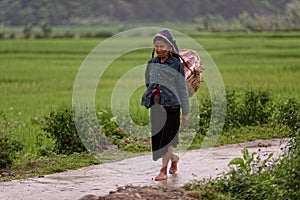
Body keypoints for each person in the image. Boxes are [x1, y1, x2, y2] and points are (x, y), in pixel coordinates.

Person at [141, 29, 190, 181]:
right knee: (159, 140)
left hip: (172, 107)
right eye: (157, 46)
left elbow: (182, 88)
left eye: (162, 46)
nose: (159, 49)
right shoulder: (151, 63)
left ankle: (163, 171)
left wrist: (185, 112)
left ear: (169, 47)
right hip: (156, 106)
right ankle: (174, 158)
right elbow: (148, 82)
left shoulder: (176, 65)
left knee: (168, 140)